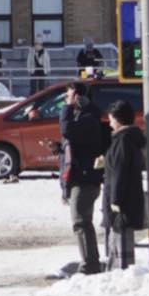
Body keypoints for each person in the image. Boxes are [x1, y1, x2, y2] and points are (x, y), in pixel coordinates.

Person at [60, 81, 106, 274]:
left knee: (81, 221)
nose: (66, 101)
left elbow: (67, 130)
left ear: (79, 98)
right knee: (81, 221)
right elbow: (74, 139)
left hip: (86, 179)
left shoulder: (88, 118)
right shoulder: (85, 116)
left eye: (69, 97)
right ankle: (90, 262)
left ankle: (90, 264)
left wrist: (67, 108)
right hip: (83, 176)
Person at [102, 101, 146, 269]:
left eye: (111, 118)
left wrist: (115, 200)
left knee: (120, 245)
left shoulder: (122, 141)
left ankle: (122, 276)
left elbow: (120, 171)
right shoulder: (129, 139)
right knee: (117, 243)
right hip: (128, 199)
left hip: (122, 202)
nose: (110, 122)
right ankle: (117, 274)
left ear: (118, 119)